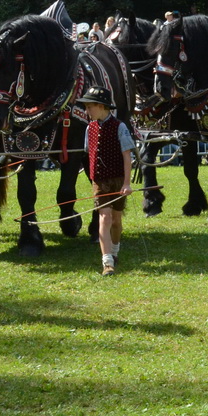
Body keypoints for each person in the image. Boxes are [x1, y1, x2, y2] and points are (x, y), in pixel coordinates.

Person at [78, 87, 136, 276]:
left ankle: (115, 251)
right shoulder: (89, 128)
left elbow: (127, 157)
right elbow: (89, 154)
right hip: (100, 181)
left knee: (117, 220)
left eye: (89, 107)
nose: (87, 111)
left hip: (118, 179)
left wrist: (127, 184)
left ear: (102, 106)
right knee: (105, 217)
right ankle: (107, 262)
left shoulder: (120, 127)